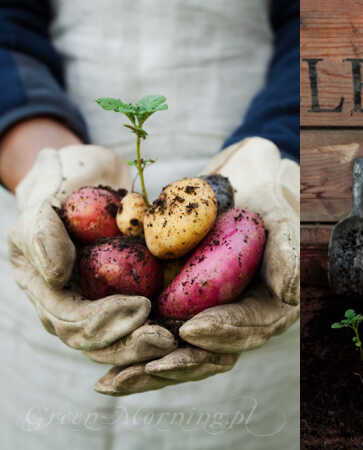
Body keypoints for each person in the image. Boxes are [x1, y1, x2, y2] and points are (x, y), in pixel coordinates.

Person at [0, 1, 299, 449]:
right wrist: (41, 166)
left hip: (254, 154)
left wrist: (280, 154)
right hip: (45, 157)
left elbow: (326, 26)